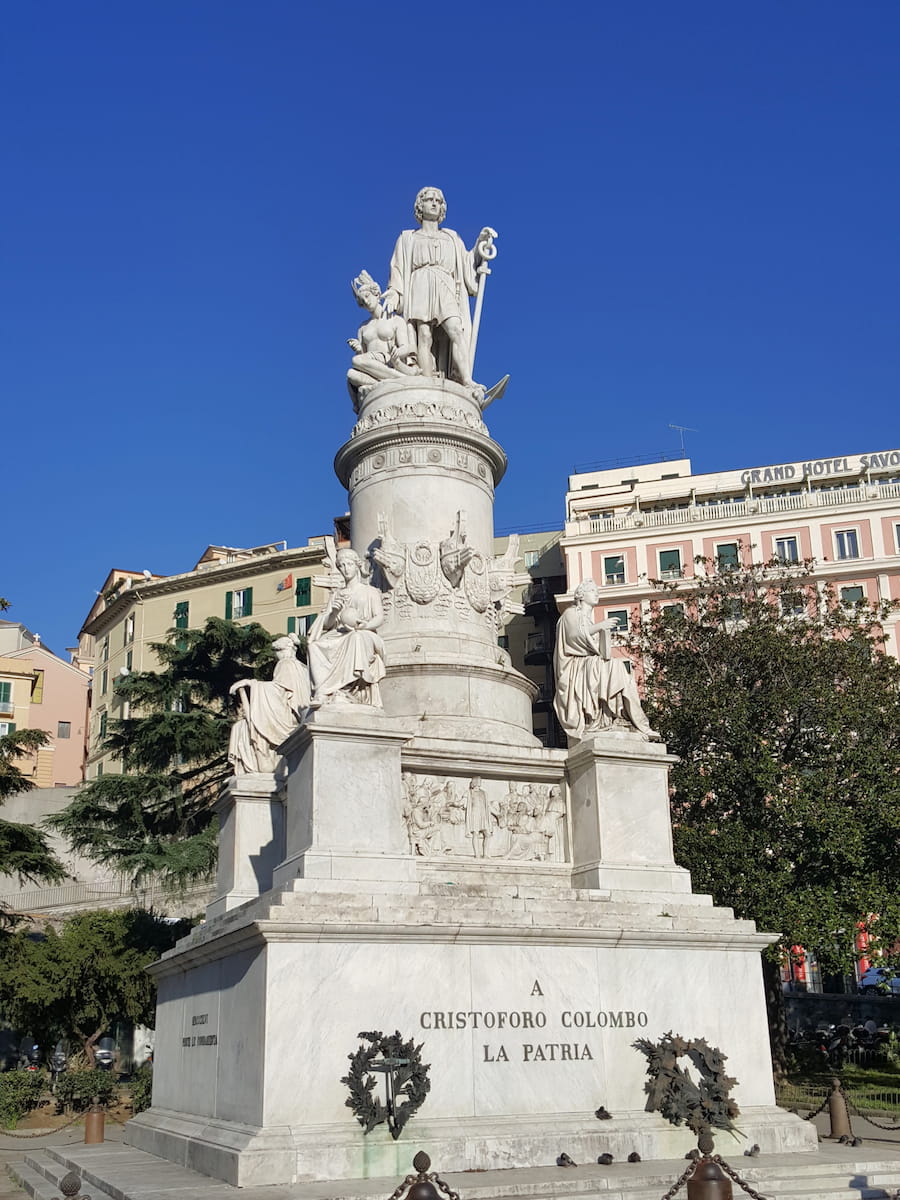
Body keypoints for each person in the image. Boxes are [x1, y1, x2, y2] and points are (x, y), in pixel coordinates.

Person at [382, 187, 493, 389]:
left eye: (438, 201)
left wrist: (480, 246)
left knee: (456, 330)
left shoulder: (451, 237)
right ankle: (427, 381)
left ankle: (466, 379)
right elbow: (397, 268)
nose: (434, 203)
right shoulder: (408, 238)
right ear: (420, 206)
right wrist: (395, 293)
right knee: (424, 335)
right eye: (429, 200)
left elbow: (466, 264)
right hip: (420, 283)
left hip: (445, 284)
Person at [553, 580, 659, 741]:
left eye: (596, 591)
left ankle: (621, 717)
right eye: (592, 590)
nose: (596, 593)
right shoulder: (571, 613)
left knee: (618, 668)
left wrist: (604, 636)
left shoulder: (588, 619)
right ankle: (614, 716)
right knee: (614, 666)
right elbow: (574, 637)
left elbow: (597, 649)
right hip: (575, 665)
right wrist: (600, 626)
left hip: (589, 663)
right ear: (581, 595)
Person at [307, 548, 386, 707]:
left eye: (349, 564)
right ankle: (323, 691)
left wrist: (366, 625)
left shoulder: (370, 591)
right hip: (341, 633)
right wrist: (334, 612)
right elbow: (327, 624)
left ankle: (344, 689)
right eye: (341, 566)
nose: (346, 569)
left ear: (357, 566)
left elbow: (379, 617)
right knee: (314, 646)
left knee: (355, 638)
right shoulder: (337, 594)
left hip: (365, 632)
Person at [227, 634, 310, 775]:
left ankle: (256, 766)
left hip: (287, 716)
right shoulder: (303, 667)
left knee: (241, 728)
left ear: (284, 650)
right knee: (242, 727)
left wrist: (251, 683)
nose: (276, 656)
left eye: (277, 652)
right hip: (296, 714)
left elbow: (279, 690)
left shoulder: (285, 664)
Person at [346, 270, 419, 411]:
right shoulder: (363, 327)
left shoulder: (395, 320)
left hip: (388, 360)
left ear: (377, 294)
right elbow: (364, 359)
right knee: (351, 374)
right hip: (373, 366)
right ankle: (397, 380)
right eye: (362, 301)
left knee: (356, 361)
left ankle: (397, 378)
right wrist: (359, 349)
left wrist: (396, 353)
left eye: (367, 296)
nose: (366, 302)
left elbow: (407, 347)